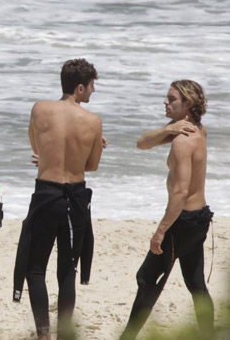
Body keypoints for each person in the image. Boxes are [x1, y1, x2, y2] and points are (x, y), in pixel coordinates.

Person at [13, 58, 104, 340]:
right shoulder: (93, 121)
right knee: (67, 270)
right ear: (79, 88)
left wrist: (49, 158)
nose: (92, 92)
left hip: (46, 194)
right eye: (91, 87)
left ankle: (42, 334)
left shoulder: (39, 109)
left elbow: (36, 146)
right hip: (75, 198)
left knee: (35, 267)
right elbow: (90, 166)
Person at [120, 80, 214, 340]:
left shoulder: (182, 142)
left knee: (146, 279)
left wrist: (160, 231)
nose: (165, 101)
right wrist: (170, 127)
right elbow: (142, 143)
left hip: (181, 222)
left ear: (188, 104)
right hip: (200, 218)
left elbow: (180, 193)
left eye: (171, 98)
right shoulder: (197, 130)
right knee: (196, 285)